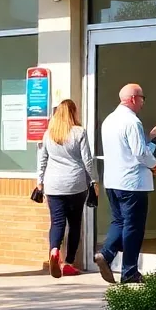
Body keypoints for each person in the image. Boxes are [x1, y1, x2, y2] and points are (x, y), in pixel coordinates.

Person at [96, 83, 156, 285]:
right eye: (142, 98)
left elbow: (127, 147)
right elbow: (139, 152)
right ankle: (129, 271)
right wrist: (154, 166)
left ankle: (106, 255)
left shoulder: (110, 120)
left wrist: (150, 138)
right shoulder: (132, 121)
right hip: (133, 183)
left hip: (113, 181)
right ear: (134, 98)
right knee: (133, 227)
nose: (143, 103)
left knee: (119, 221)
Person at [36, 99, 99, 278]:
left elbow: (43, 159)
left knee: (57, 222)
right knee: (74, 223)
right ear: (73, 113)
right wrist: (94, 181)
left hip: (53, 185)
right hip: (75, 184)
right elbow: (87, 159)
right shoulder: (79, 132)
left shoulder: (49, 134)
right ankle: (68, 263)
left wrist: (39, 180)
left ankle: (54, 251)